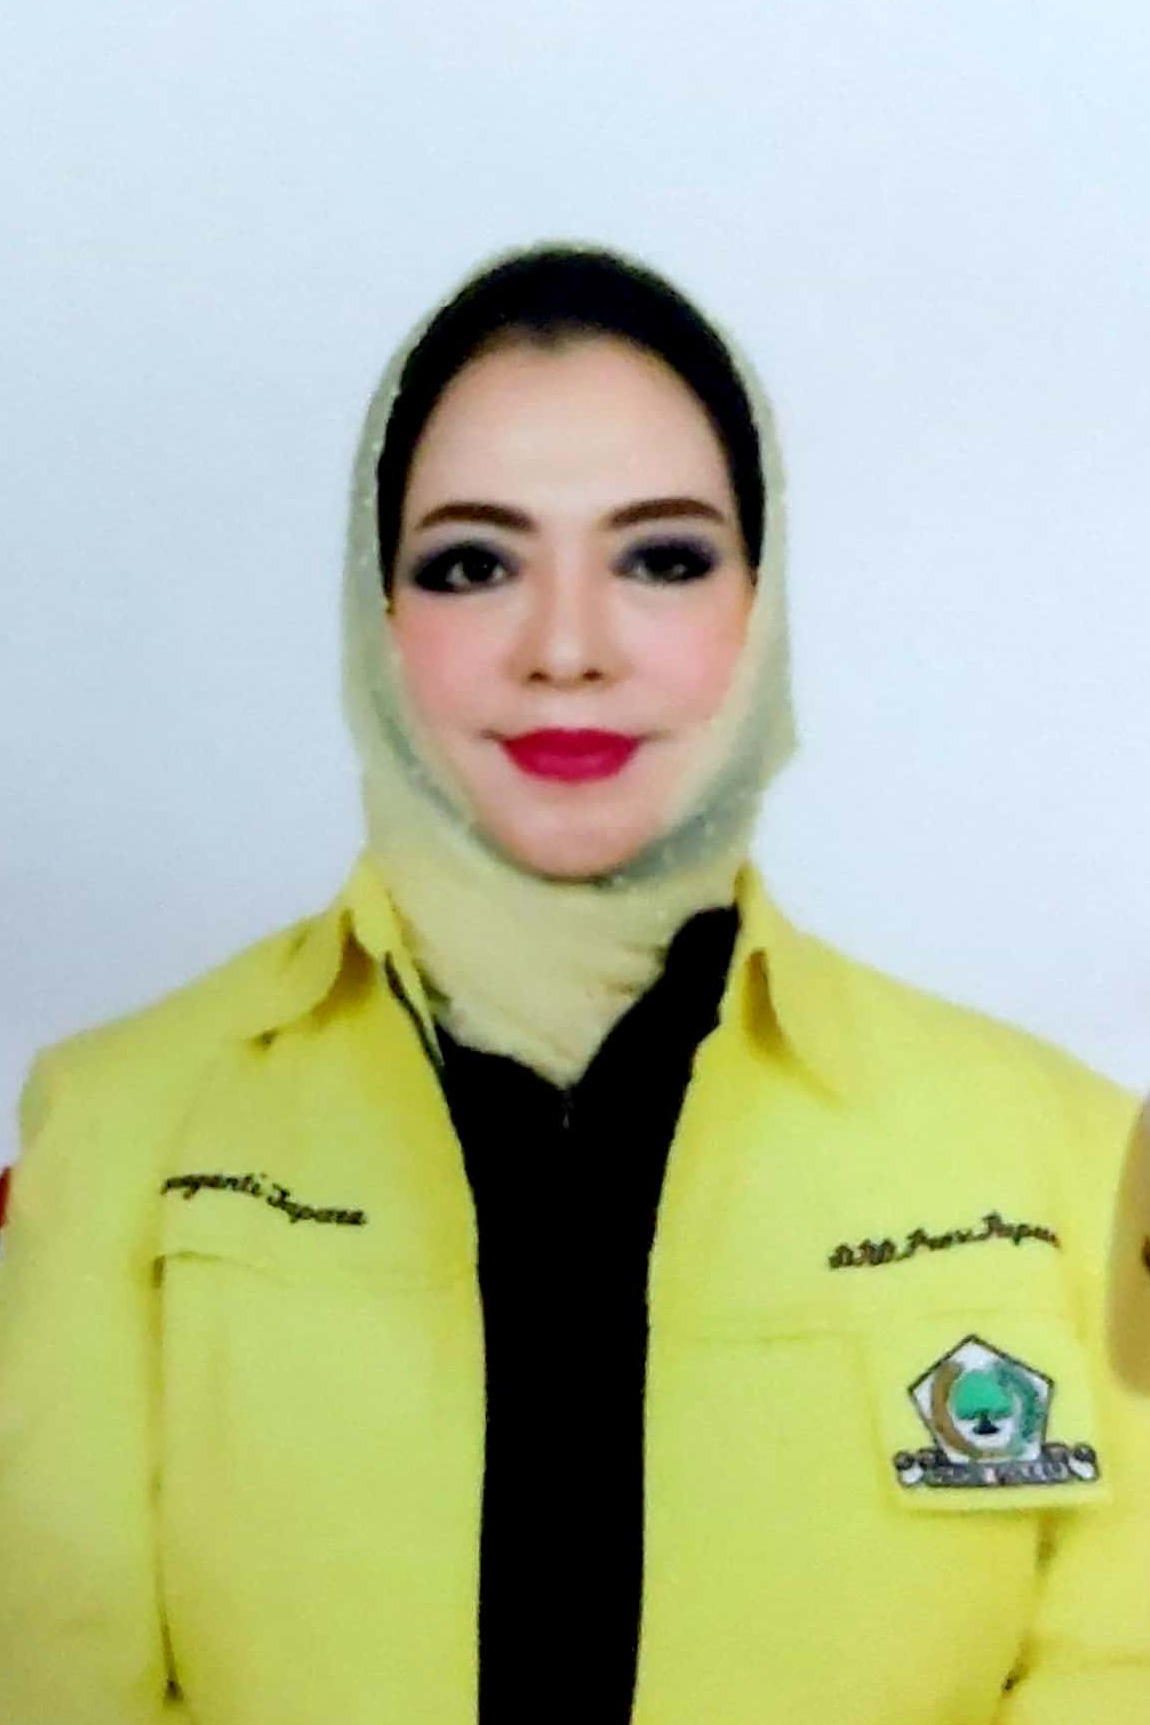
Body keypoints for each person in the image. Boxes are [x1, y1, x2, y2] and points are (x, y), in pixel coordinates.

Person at [0, 241, 1147, 1725]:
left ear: (760, 604)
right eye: (471, 564)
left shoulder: (1074, 1159)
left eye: (661, 558)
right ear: (377, 614)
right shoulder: (122, 1124)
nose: (565, 650)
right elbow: (52, 1675)